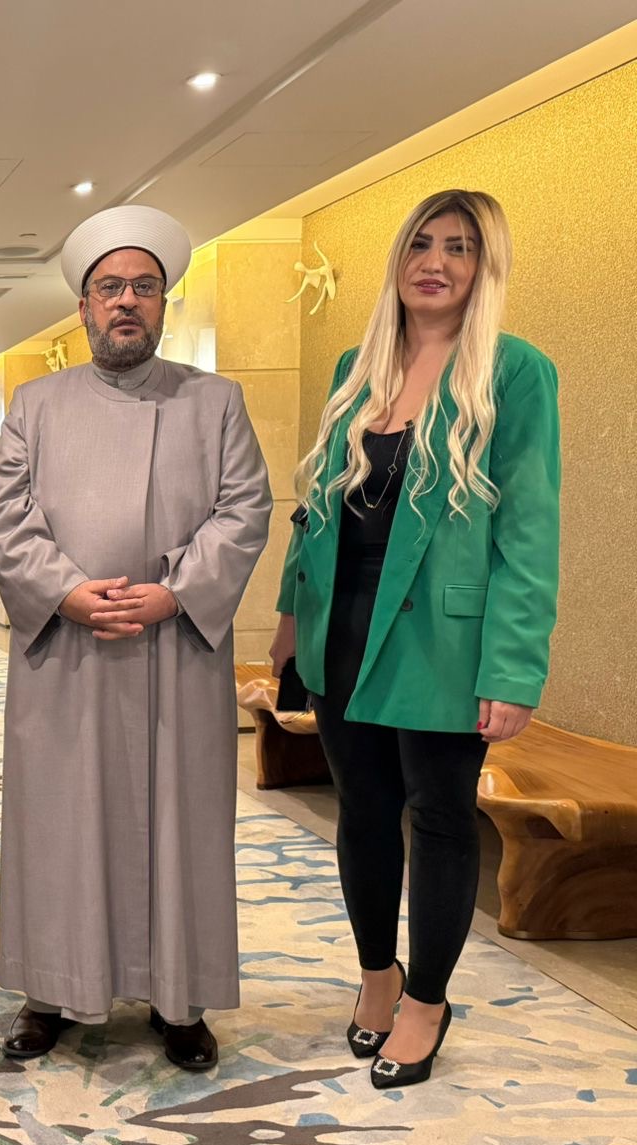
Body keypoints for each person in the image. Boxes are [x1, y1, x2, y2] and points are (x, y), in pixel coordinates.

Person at [271, 189, 559, 1089]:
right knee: (361, 811)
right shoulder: (356, 367)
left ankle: (428, 1002)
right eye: (422, 244)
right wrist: (288, 618)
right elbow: (317, 510)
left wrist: (514, 669)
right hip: (342, 630)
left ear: (485, 267)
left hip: (445, 641)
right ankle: (377, 976)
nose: (436, 262)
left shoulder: (514, 372)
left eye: (460, 248)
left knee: (438, 817)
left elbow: (530, 533)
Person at [0, 205, 272, 1070]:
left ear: (163, 303)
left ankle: (180, 1001)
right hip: (68, 656)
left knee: (180, 827)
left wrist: (175, 593)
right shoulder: (35, 405)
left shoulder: (215, 401)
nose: (126, 302)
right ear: (82, 307)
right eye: (110, 288)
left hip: (174, 653)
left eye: (144, 287)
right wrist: (67, 593)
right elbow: (4, 516)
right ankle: (50, 991)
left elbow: (245, 509)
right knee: (60, 824)